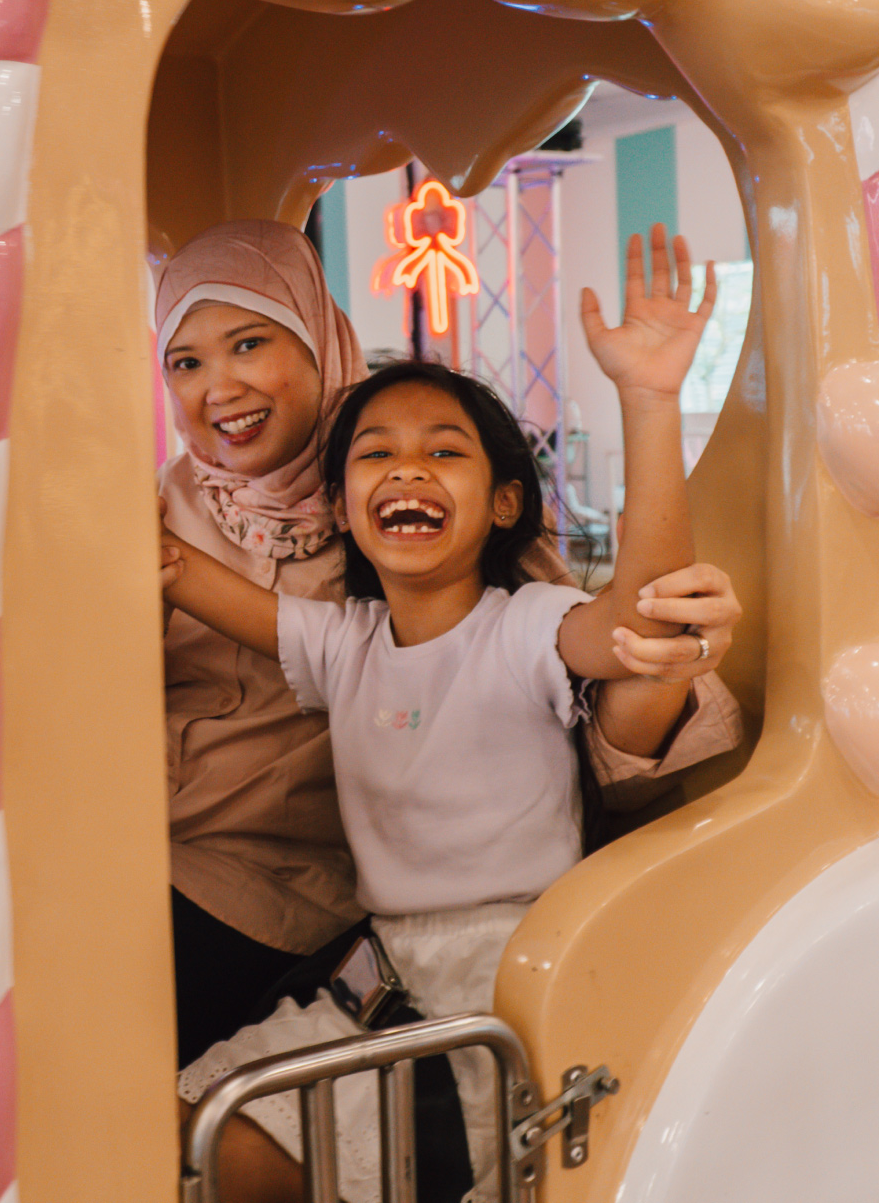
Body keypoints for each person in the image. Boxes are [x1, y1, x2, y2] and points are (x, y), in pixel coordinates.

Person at [163, 225, 728, 1203]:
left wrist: (648, 398)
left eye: (443, 451)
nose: (406, 468)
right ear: (344, 508)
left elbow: (636, 618)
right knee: (189, 1136)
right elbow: (178, 572)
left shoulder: (523, 626)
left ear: (504, 501)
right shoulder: (340, 641)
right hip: (379, 972)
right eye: (376, 451)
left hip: (495, 978)